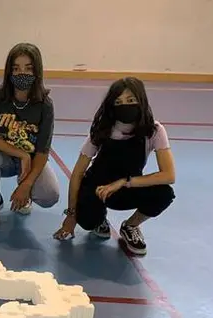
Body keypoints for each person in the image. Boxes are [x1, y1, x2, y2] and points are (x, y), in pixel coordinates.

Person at [53, 77, 175, 255]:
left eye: (131, 100)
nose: (125, 106)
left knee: (164, 194)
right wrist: (71, 215)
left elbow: (169, 175)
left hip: (126, 187)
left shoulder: (154, 131)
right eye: (119, 102)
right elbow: (78, 172)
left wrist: (125, 182)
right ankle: (99, 219)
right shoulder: (103, 129)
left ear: (141, 101)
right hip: (97, 188)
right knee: (87, 221)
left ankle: (131, 226)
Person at [0, 42, 60, 225]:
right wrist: (22, 155)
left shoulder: (45, 105)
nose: (22, 73)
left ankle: (25, 194)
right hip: (3, 157)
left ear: (36, 71)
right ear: (9, 71)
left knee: (49, 195)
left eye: (28, 68)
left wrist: (26, 184)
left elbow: (42, 151)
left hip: (31, 161)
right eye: (16, 68)